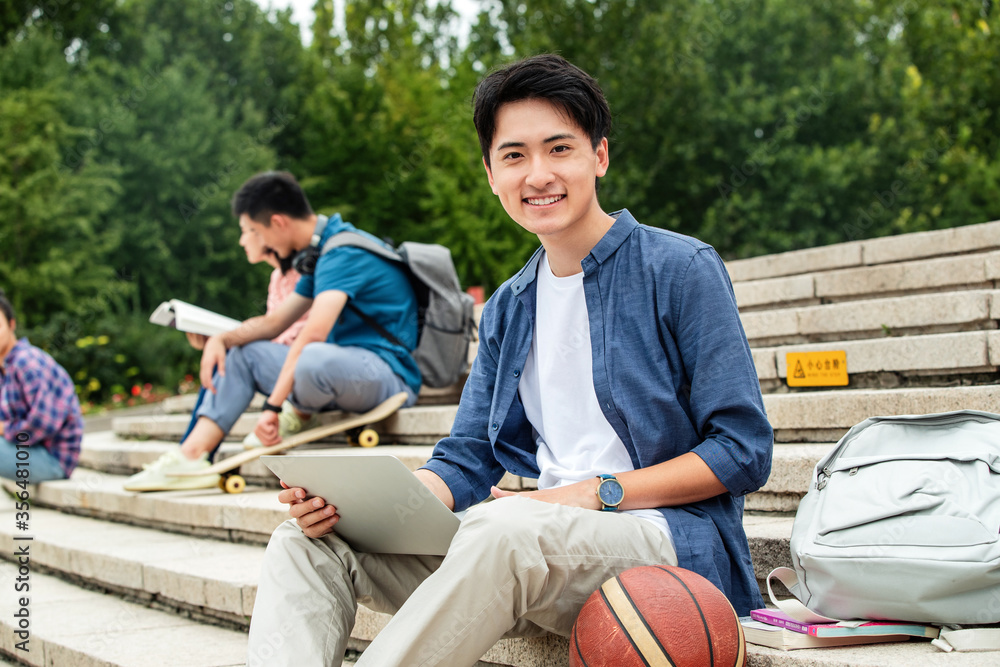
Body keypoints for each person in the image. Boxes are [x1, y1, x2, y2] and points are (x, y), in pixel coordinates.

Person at [247, 55, 773, 667]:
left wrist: (585, 495)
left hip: (664, 540)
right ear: (491, 173)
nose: (538, 174)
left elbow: (741, 450)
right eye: (515, 155)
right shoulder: (507, 306)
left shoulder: (680, 269)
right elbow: (468, 457)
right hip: (530, 545)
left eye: (559, 149)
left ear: (598, 157)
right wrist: (379, 505)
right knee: (309, 542)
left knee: (503, 529)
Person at [124, 172, 421, 492]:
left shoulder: (343, 253)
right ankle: (192, 454)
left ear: (277, 222)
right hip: (341, 369)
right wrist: (223, 339)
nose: (254, 241)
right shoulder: (323, 252)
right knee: (243, 352)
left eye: (252, 231)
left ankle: (296, 413)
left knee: (311, 357)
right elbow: (274, 323)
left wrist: (272, 408)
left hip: (387, 374)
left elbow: (313, 334)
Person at [180, 213, 310, 447]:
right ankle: (191, 450)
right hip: (285, 365)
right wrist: (216, 339)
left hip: (305, 368)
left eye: (246, 231)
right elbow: (276, 331)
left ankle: (193, 452)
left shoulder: (304, 272)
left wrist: (230, 340)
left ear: (265, 232)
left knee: (237, 355)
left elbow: (287, 332)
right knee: (224, 356)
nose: (241, 241)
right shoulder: (277, 278)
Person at [0, 289, 83, 484]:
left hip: (53, 459)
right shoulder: (5, 369)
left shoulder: (27, 362)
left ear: (12, 325)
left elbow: (43, 423)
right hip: (29, 453)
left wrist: (4, 430)